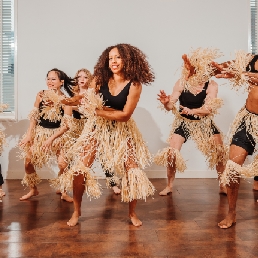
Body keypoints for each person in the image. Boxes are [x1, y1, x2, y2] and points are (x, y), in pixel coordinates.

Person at [58, 43, 156, 227]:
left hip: (121, 129)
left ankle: (132, 213)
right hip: (98, 128)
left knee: (132, 170)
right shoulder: (100, 78)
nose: (114, 61)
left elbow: (124, 115)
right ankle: (77, 211)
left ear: (127, 59)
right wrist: (69, 100)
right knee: (80, 169)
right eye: (111, 58)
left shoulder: (134, 84)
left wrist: (97, 111)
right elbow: (83, 96)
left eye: (118, 57)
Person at [155, 48, 226, 196]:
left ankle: (223, 184)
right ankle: (169, 185)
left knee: (219, 152)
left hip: (204, 122)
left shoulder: (211, 85)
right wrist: (166, 102)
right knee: (172, 154)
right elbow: (170, 106)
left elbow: (208, 109)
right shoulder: (182, 83)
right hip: (184, 121)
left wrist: (193, 111)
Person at [212, 52, 258, 228]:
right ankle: (231, 213)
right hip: (249, 120)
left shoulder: (247, 70)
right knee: (231, 169)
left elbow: (243, 74)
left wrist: (241, 73)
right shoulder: (250, 59)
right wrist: (217, 68)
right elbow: (226, 67)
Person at [19, 68, 76, 201]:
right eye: (48, 79)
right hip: (40, 132)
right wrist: (29, 135)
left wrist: (51, 139)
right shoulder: (41, 95)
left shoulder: (66, 100)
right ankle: (33, 190)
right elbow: (34, 116)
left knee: (63, 164)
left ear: (61, 82)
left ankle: (63, 191)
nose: (50, 81)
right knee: (28, 162)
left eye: (53, 79)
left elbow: (66, 125)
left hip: (59, 134)